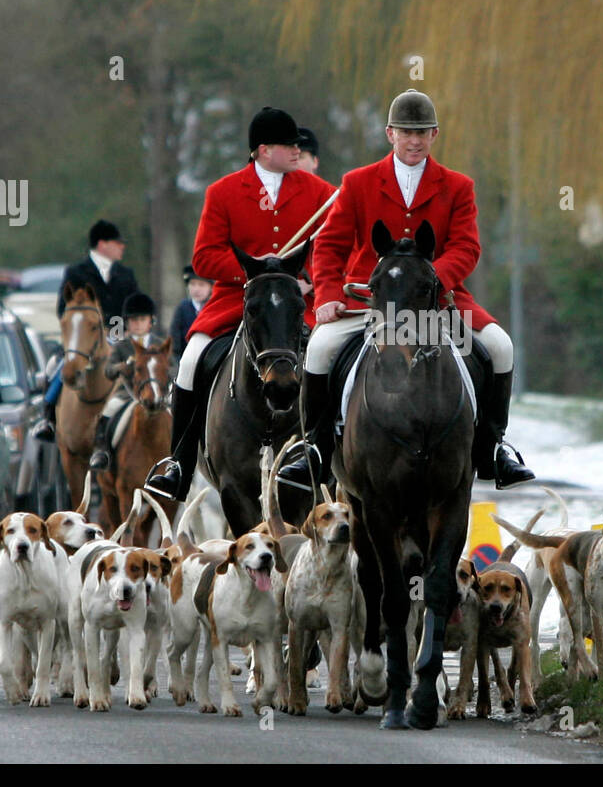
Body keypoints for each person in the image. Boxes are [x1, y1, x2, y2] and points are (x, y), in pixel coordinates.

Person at [278, 88, 533, 490]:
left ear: (434, 135)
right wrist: (327, 296)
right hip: (368, 304)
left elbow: (467, 247)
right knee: (321, 348)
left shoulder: (457, 186)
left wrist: (434, 279)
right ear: (389, 134)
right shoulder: (358, 183)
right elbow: (329, 245)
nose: (413, 141)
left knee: (500, 347)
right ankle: (316, 447)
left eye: (421, 133)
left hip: (438, 306)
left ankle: (493, 447)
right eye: (405, 132)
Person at [143, 107, 336, 501]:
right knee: (192, 360)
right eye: (289, 145)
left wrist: (306, 279)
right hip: (237, 301)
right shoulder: (224, 192)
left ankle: (327, 452)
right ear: (264, 150)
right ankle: (178, 464)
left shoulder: (320, 194)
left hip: (298, 304)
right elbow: (204, 257)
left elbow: (332, 249)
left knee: (333, 357)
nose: (298, 150)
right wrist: (254, 275)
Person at [34, 219, 141, 442]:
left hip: (119, 338)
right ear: (102, 244)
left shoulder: (126, 274)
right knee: (59, 366)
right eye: (117, 243)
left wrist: (122, 331)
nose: (122, 247)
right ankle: (48, 417)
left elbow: (133, 307)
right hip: (83, 339)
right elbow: (63, 308)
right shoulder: (76, 273)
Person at [89, 292, 166, 472]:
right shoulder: (121, 345)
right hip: (128, 394)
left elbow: (174, 366)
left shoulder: (160, 344)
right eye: (133, 320)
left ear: (150, 321)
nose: (138, 324)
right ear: (127, 322)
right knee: (109, 409)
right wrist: (121, 367)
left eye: (142, 319)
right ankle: (103, 451)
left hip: (156, 393)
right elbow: (108, 370)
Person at [169, 266, 213, 369]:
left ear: (211, 287)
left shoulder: (214, 308)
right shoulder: (182, 308)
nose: (196, 289)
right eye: (192, 284)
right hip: (186, 361)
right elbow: (175, 340)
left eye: (201, 285)